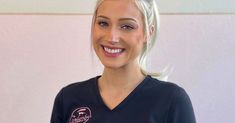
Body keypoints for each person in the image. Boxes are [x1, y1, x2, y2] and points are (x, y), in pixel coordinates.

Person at [51, 0, 196, 123]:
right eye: (103, 23)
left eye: (127, 26)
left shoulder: (172, 101)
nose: (112, 37)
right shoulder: (68, 98)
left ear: (148, 32)